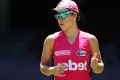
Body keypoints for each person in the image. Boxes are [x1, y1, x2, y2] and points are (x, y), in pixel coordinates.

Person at [40, 0, 104, 80]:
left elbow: (100, 68)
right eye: (57, 16)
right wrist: (51, 70)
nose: (59, 19)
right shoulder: (51, 40)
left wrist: (96, 66)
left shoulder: (90, 39)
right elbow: (43, 66)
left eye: (63, 15)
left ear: (74, 15)